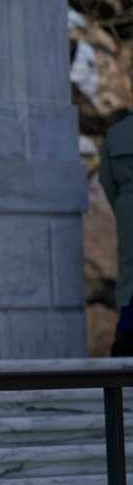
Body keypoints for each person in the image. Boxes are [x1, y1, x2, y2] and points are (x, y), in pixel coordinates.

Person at [100, 111, 133, 355]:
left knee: (128, 271)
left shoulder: (115, 134)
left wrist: (122, 205)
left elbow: (106, 180)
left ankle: (126, 329)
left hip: (126, 205)